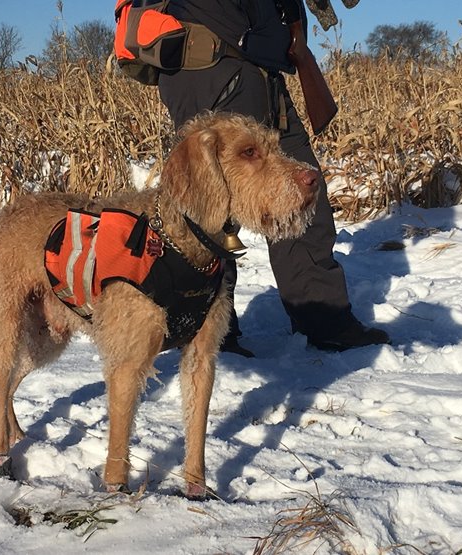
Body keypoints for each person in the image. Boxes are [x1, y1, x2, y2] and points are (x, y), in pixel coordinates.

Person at [156, 0, 390, 355]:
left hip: (259, 65)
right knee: (209, 205)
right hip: (213, 61)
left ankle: (323, 318)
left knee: (302, 187)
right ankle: (207, 332)